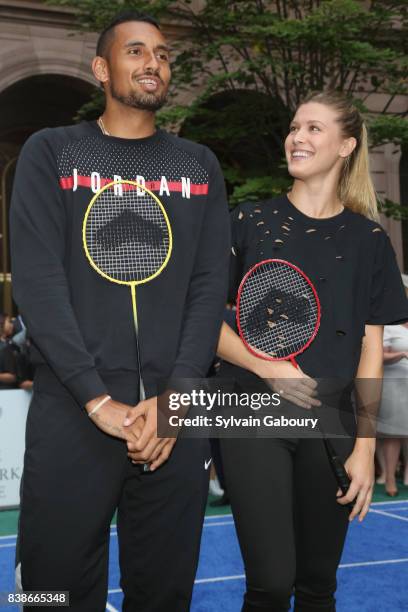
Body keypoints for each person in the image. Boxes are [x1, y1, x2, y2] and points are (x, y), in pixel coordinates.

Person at [10, 11, 229, 612]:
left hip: (174, 416)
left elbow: (209, 288)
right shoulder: (49, 152)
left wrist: (178, 398)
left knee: (164, 594)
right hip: (74, 409)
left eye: (161, 54)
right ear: (102, 69)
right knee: (50, 591)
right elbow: (37, 282)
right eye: (135, 52)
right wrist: (95, 397)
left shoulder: (199, 165)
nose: (152, 63)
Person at [216, 91, 408, 612]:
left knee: (318, 586)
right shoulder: (248, 221)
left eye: (314, 129)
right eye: (295, 127)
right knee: (272, 584)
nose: (297, 137)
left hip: (335, 422)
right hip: (251, 413)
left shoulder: (370, 238)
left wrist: (365, 448)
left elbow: (371, 348)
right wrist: (267, 366)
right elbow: (201, 320)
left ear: (346, 145)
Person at [376, 274, 408, 496]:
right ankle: (389, 479)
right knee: (392, 434)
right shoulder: (390, 326)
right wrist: (402, 354)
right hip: (394, 384)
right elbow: (378, 356)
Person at [0, 313, 17, 389]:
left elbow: (13, 376)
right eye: (9, 322)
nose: (12, 325)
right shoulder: (6, 346)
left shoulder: (10, 345)